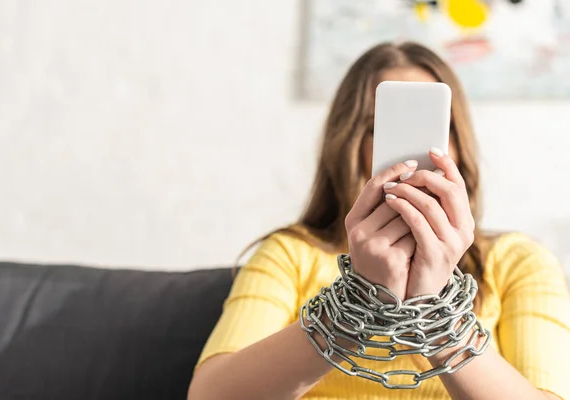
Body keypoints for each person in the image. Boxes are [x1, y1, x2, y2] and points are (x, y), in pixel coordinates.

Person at [187, 42, 570, 400]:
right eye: (379, 128)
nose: (413, 152)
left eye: (437, 128)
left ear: (458, 145)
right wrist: (359, 296)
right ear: (348, 146)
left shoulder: (518, 261)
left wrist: (435, 312)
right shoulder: (291, 254)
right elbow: (209, 394)